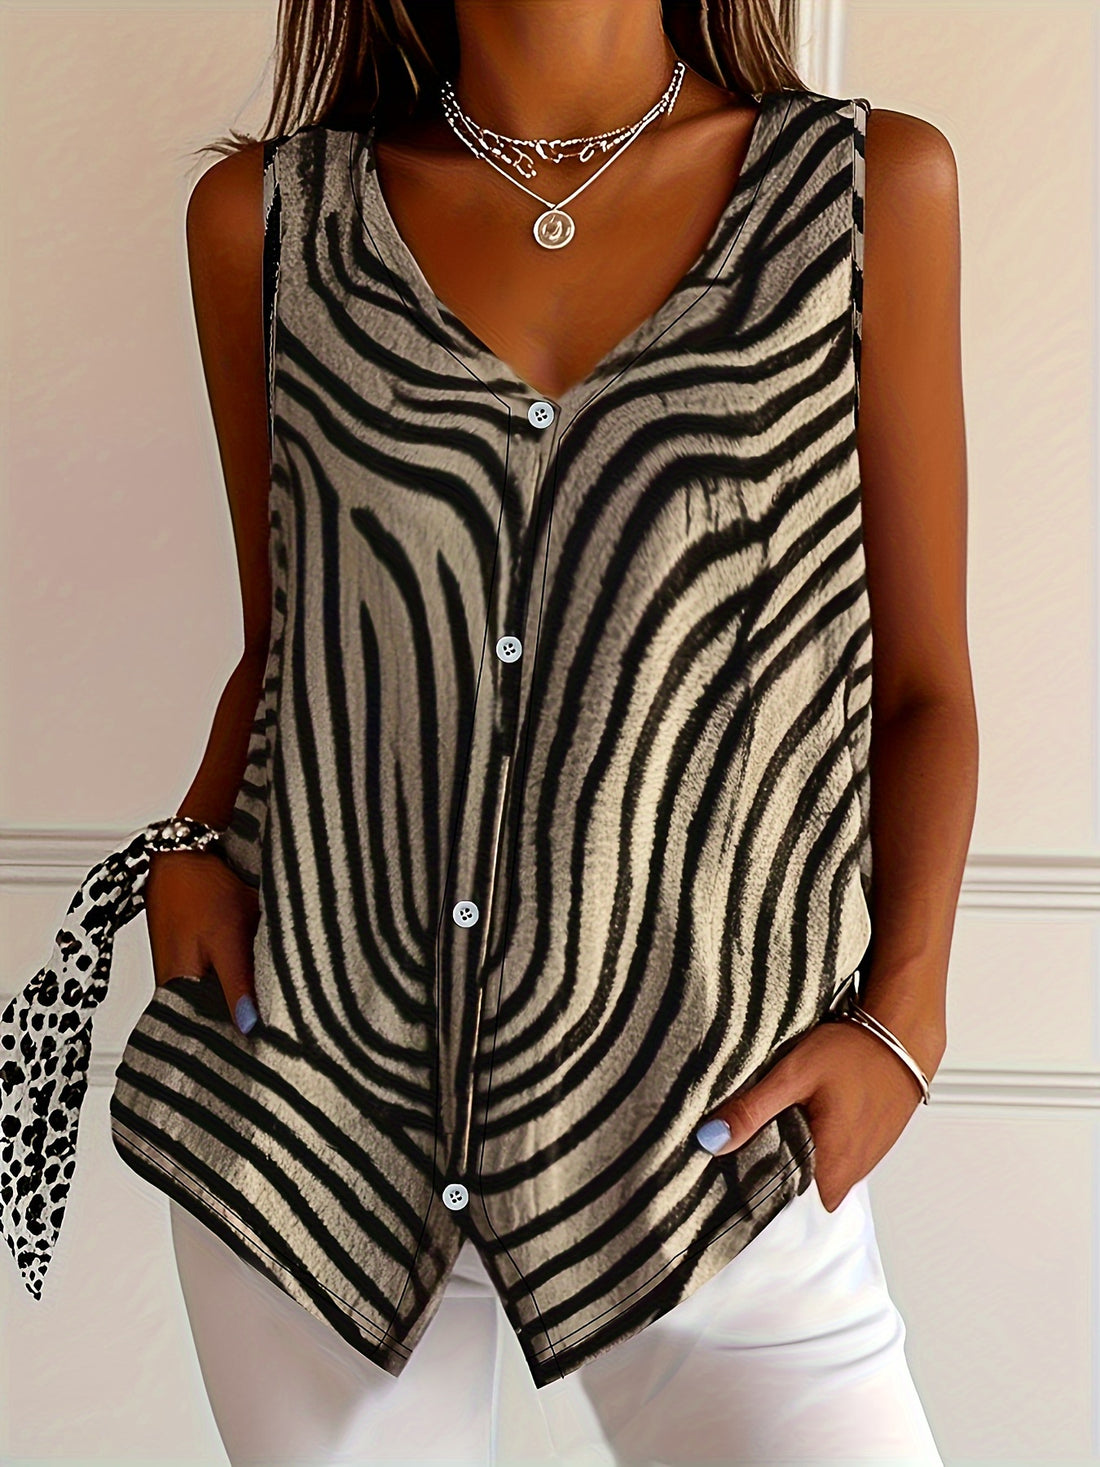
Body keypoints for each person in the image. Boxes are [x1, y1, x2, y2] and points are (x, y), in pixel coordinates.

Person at [1, 0, 975, 1462]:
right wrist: (193, 843)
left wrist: (904, 1017)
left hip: (708, 1121)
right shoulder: (265, 223)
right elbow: (287, 636)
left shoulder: (864, 192)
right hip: (316, 1119)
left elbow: (925, 687)